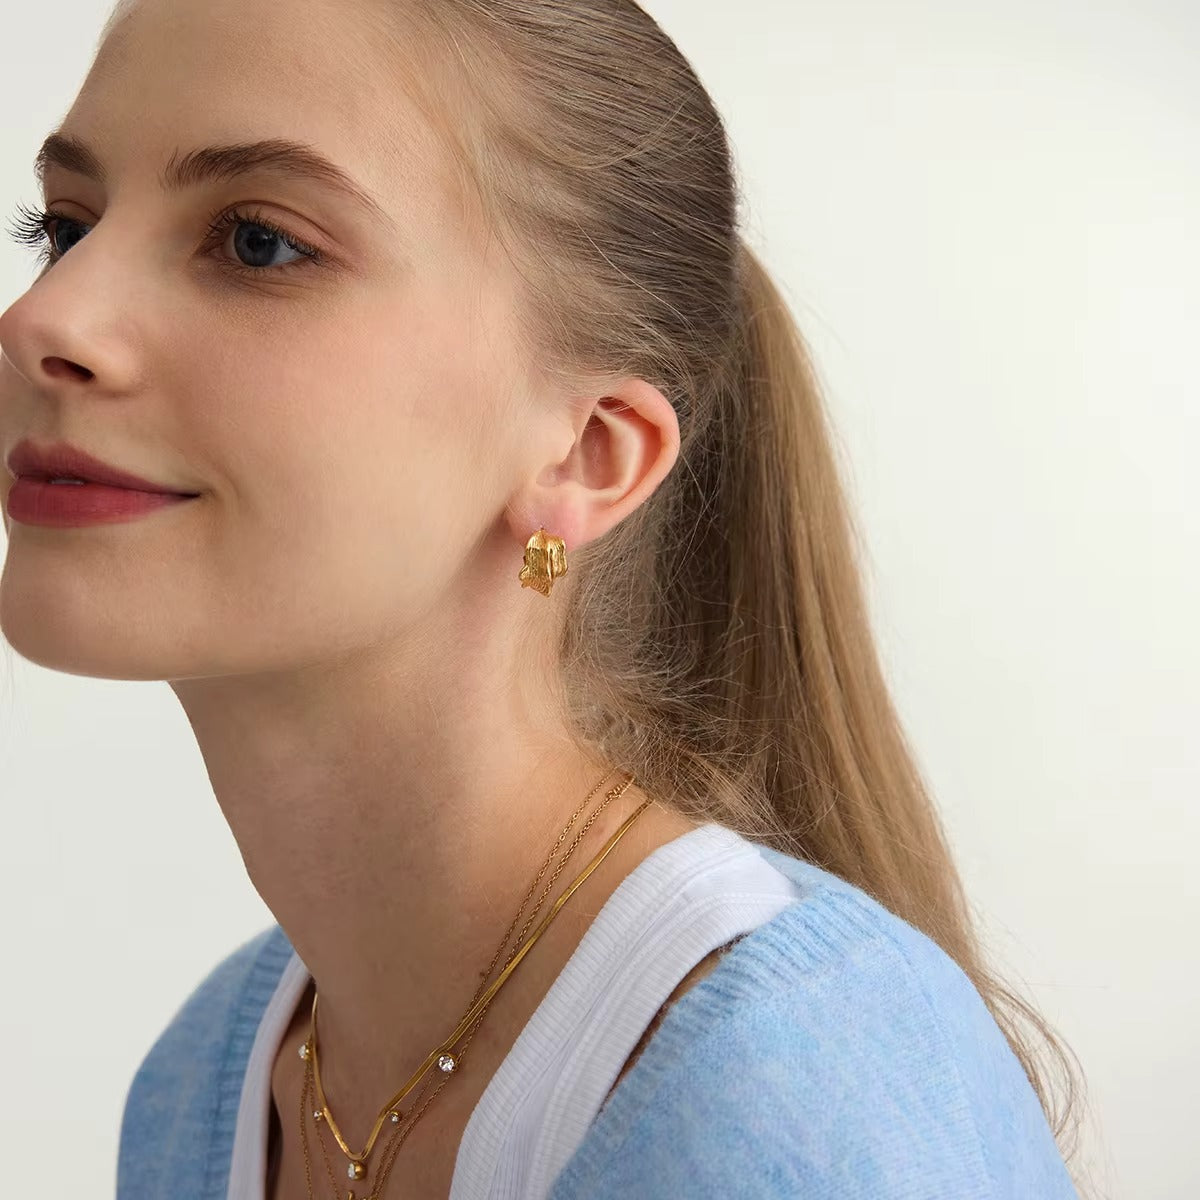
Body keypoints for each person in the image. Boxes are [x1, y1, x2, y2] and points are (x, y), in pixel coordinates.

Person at [0, 0, 1086, 1196]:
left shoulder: (797, 1094)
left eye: (258, 243)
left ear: (586, 454)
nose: (44, 318)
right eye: (66, 227)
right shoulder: (208, 1085)